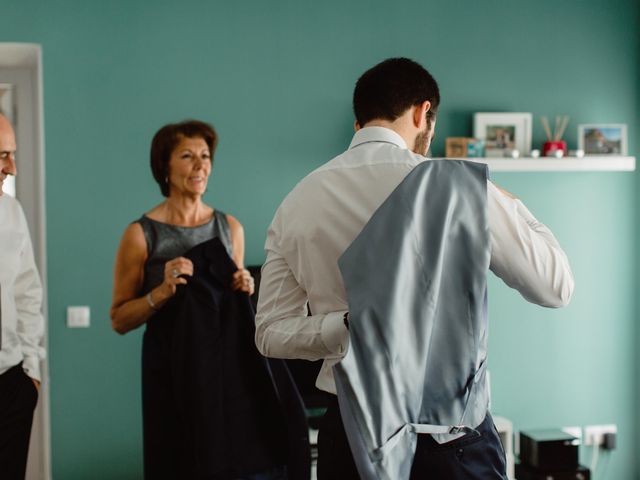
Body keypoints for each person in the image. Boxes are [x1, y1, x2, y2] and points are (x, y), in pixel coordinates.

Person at [255, 58, 574, 479]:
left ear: (358, 123)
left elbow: (269, 334)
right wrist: (504, 199)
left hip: (348, 439)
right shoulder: (458, 187)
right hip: (450, 441)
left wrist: (347, 326)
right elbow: (555, 285)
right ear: (423, 112)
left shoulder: (297, 201)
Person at [111, 120, 290, 479]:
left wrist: (246, 286)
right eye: (187, 156)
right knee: (174, 459)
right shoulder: (140, 235)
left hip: (223, 367)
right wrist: (161, 292)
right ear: (164, 166)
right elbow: (119, 319)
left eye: (205, 156)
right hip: (168, 366)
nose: (200, 165)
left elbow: (237, 306)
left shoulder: (230, 228)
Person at [0, 113, 46, 480]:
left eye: (12, 154)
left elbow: (28, 293)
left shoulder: (11, 213)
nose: (12, 168)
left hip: (11, 383)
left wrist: (30, 369)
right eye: (1, 155)